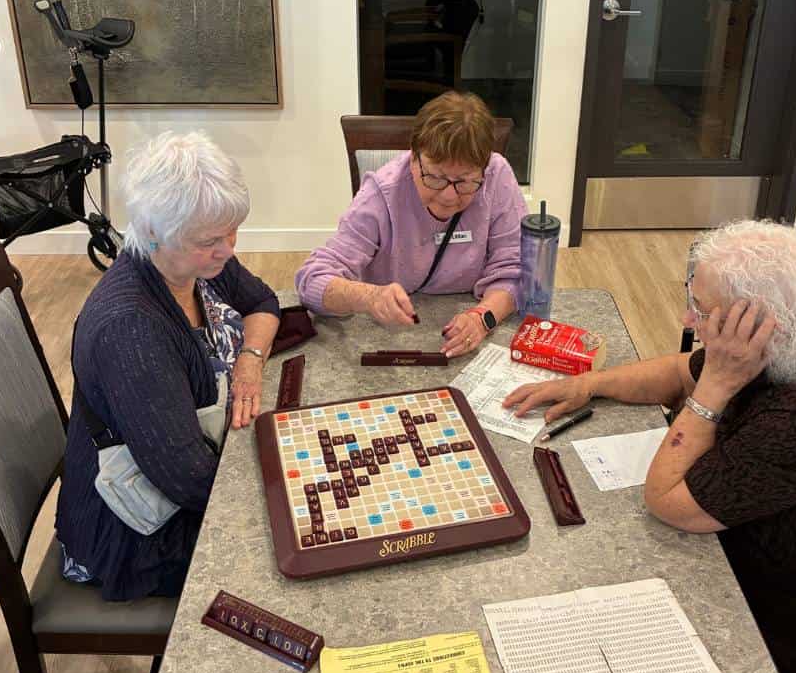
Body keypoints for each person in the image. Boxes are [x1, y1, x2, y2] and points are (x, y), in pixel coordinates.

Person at [504, 220, 796, 673]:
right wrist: (588, 383)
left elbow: (668, 501)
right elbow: (677, 371)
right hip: (765, 549)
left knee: (584, 627)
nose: (689, 320)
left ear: (756, 324)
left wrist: (716, 387)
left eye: (700, 309)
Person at [56, 132, 281, 601]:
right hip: (133, 531)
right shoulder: (132, 329)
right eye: (210, 240)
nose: (228, 248)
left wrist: (250, 361)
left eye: (232, 231)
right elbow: (191, 480)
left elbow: (263, 302)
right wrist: (288, 493)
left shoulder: (194, 259)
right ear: (154, 229)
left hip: (186, 469)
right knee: (297, 554)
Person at [295, 91, 525, 357]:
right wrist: (368, 297)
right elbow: (311, 281)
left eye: (464, 181)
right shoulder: (382, 192)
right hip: (388, 333)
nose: (449, 196)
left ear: (484, 168)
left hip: (467, 320)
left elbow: (515, 270)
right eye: (435, 177)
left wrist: (481, 318)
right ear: (413, 158)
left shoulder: (497, 176)